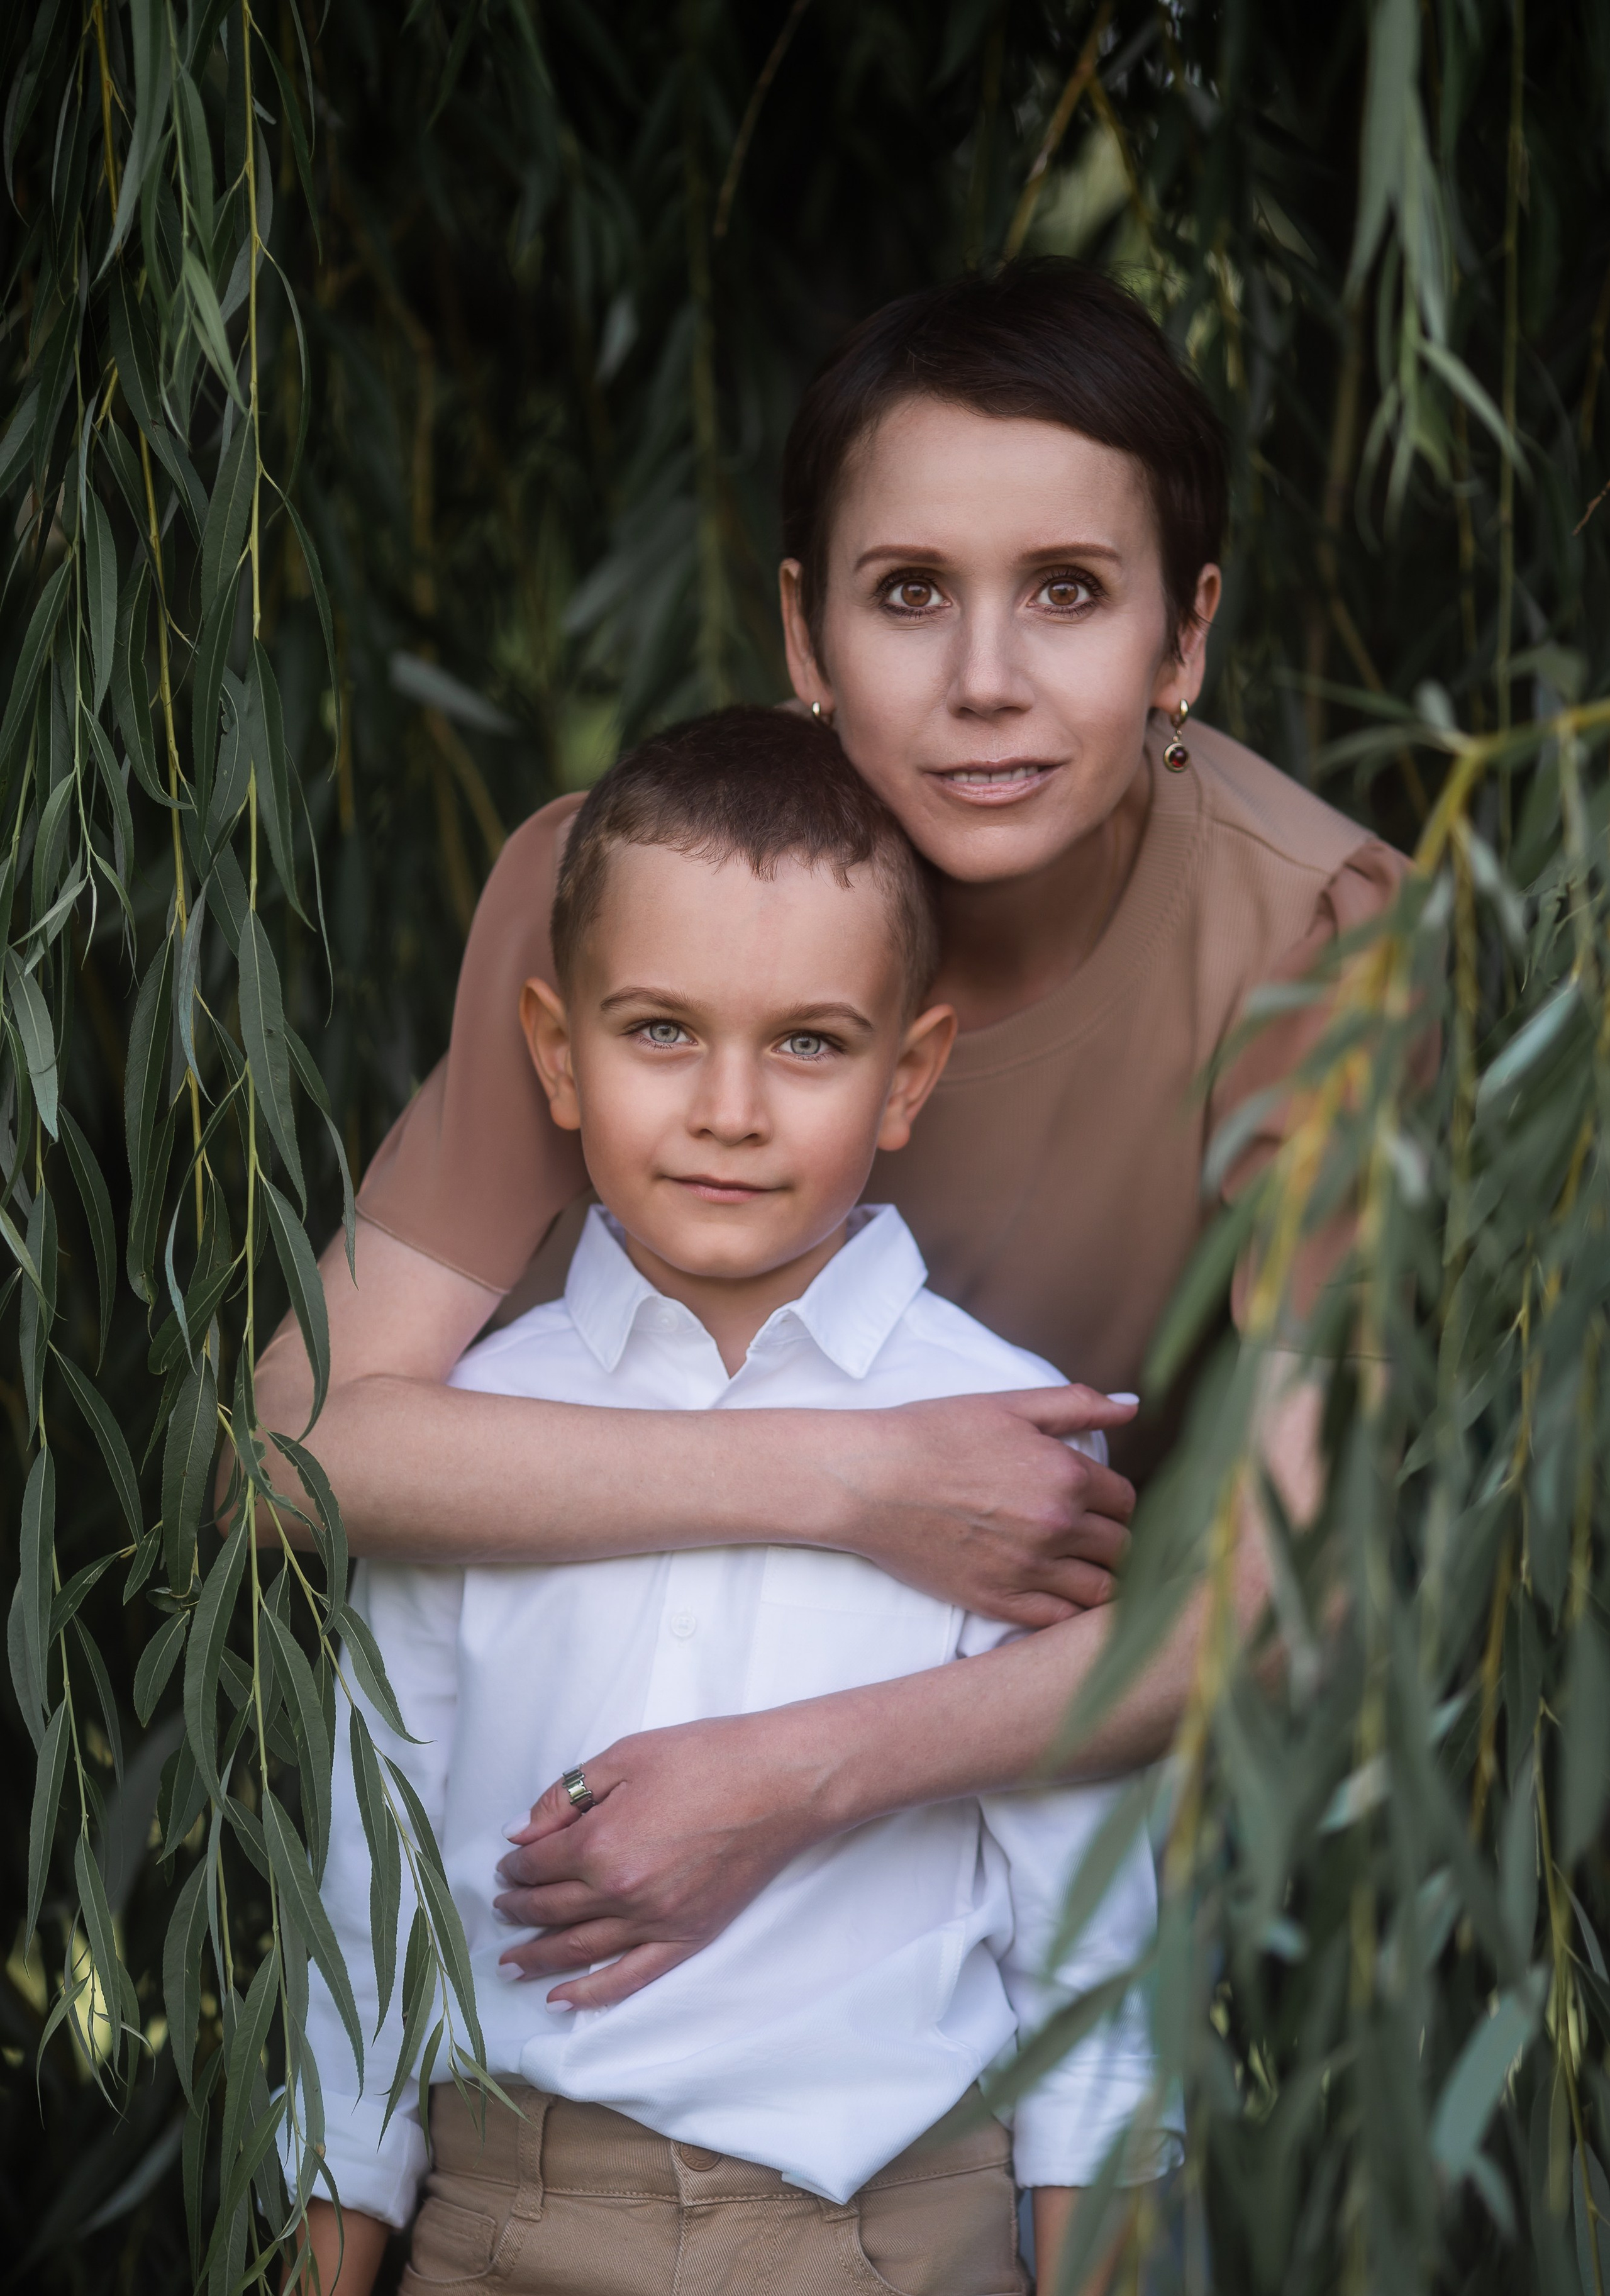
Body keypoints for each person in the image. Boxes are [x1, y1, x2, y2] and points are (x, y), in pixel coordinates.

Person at [256, 258, 1404, 2010]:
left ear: (1186, 636)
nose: (986, 679)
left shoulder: (1318, 948)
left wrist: (788, 1779)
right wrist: (851, 1482)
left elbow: (1291, 1584)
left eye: (1071, 593)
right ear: (807, 633)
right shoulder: (612, 894)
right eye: (910, 593)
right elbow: (283, 1451)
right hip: (541, 1870)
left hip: (988, 1884)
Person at [290, 711, 1173, 2296]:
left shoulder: (1008, 1442)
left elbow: (1088, 1940)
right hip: (513, 2221)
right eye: (659, 1033)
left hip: (899, 2231)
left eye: (810, 1044)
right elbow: (372, 1887)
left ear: (909, 1074)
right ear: (557, 1052)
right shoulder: (465, 1433)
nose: (730, 1108)